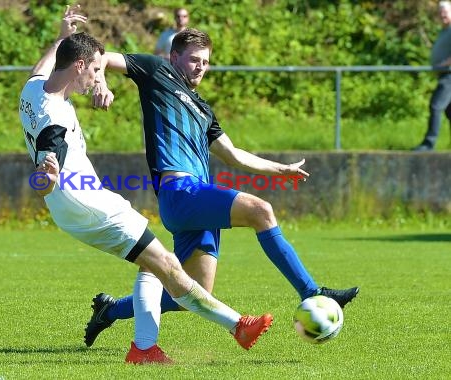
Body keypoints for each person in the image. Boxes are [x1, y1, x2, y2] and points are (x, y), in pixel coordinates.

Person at [19, 6, 273, 365]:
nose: (96, 78)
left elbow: (43, 68)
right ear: (78, 66)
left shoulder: (32, 92)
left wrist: (63, 35)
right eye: (94, 70)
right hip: (88, 203)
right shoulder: (55, 118)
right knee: (167, 265)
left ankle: (143, 348)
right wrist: (45, 176)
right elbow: (49, 158)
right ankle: (237, 327)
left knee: (152, 266)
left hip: (74, 206)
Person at [84, 28, 359, 347]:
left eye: (205, 62)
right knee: (261, 211)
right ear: (174, 58)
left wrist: (279, 168)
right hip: (180, 193)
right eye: (194, 60)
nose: (200, 66)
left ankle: (110, 309)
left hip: (195, 203)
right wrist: (100, 82)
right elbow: (100, 56)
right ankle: (313, 292)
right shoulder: (157, 71)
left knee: (195, 293)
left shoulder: (203, 110)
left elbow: (232, 154)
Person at [414, 1, 451, 151]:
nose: (442, 15)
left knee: (436, 105)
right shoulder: (445, 30)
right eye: (440, 12)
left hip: (449, 75)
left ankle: (428, 144)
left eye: (445, 12)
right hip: (444, 74)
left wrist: (446, 63)